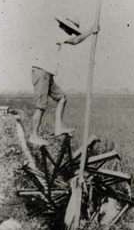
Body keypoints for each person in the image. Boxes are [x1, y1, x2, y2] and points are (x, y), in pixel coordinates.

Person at [29, 16, 99, 146]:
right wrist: (91, 31)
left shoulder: (57, 34)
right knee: (41, 106)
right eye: (71, 30)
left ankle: (58, 127)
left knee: (62, 98)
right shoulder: (56, 32)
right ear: (65, 27)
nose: (71, 33)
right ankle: (34, 136)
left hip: (47, 73)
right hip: (42, 71)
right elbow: (75, 41)